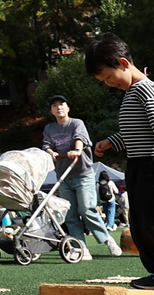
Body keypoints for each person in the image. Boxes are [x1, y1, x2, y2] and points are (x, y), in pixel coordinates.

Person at [89, 36, 154, 286]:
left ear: (123, 63)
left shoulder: (145, 90)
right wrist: (112, 142)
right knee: (139, 224)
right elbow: (135, 132)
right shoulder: (131, 92)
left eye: (108, 77)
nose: (108, 84)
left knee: (150, 222)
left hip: (150, 165)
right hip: (138, 165)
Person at [43, 94, 122, 258]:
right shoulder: (49, 128)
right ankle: (80, 248)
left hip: (83, 174)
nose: (59, 107)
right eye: (55, 105)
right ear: (51, 110)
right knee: (70, 214)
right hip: (63, 176)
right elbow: (47, 145)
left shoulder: (76, 123)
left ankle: (107, 239)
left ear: (67, 107)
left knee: (87, 209)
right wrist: (51, 153)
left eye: (62, 104)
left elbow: (80, 138)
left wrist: (77, 150)